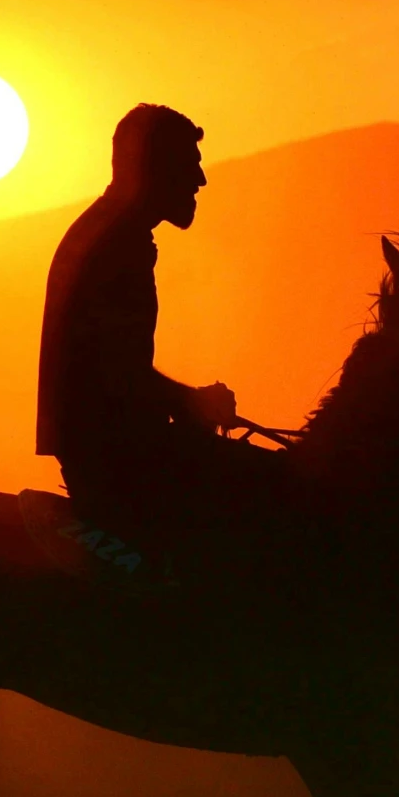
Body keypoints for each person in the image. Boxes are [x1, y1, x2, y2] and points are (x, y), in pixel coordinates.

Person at [36, 105, 283, 586]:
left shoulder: (108, 233)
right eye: (189, 165)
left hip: (106, 445)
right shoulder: (116, 247)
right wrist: (194, 400)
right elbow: (117, 375)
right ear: (155, 168)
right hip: (115, 456)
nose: (201, 180)